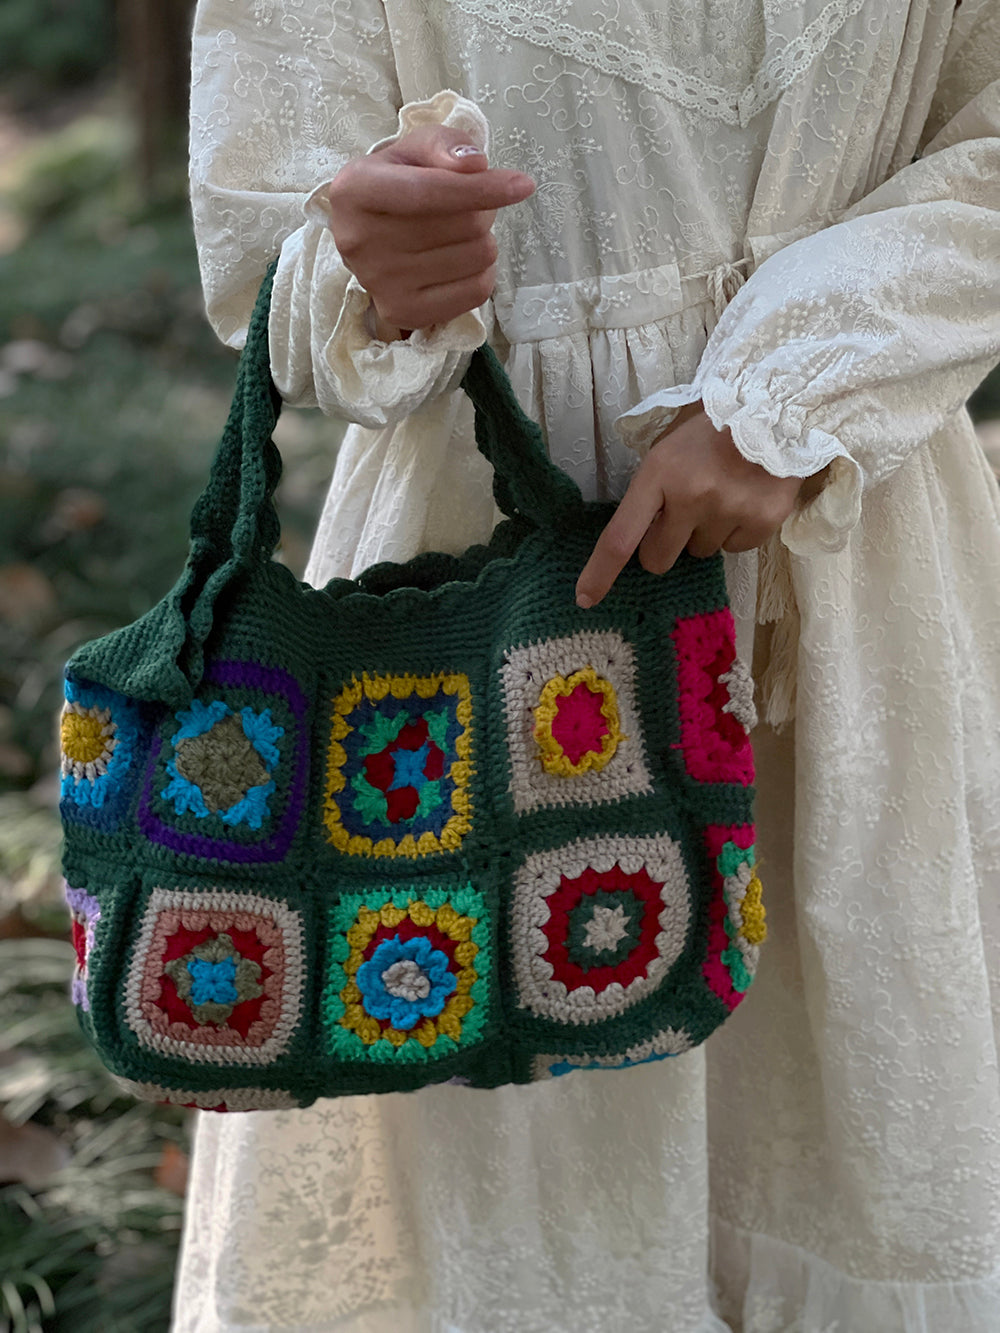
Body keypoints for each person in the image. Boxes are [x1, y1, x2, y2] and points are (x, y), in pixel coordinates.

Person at [174, 0, 1000, 1328]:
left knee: (867, 1124)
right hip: (476, 658)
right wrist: (364, 257)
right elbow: (266, 245)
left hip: (862, 573)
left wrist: (802, 383)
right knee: (530, 1195)